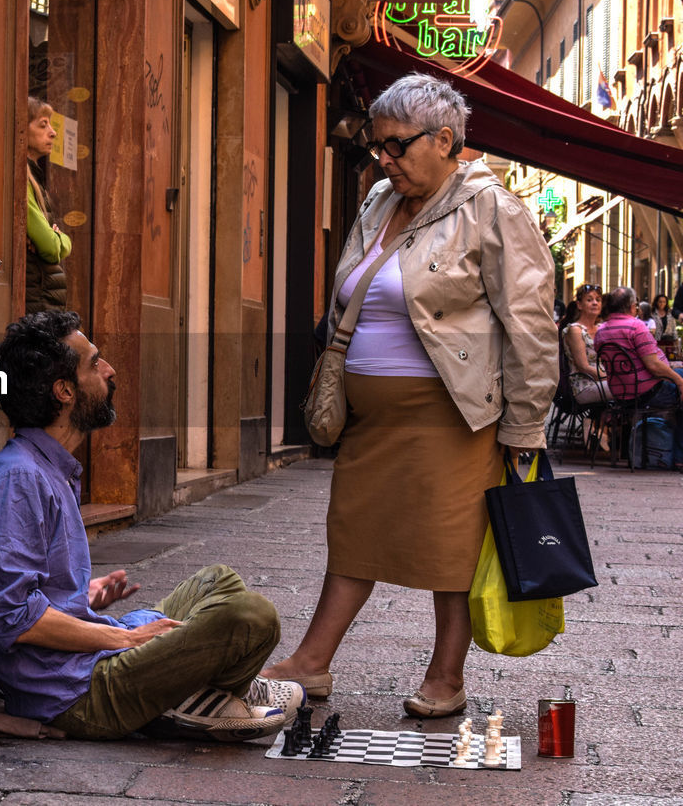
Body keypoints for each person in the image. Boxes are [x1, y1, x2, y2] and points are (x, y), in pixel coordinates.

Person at [261, 72, 557, 718]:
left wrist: (525, 430)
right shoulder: (377, 203)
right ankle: (312, 662)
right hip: (371, 418)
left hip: (452, 414)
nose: (385, 159)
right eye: (379, 147)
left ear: (445, 140)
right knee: (353, 530)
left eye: (397, 146)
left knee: (450, 546)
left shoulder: (494, 209)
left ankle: (446, 677)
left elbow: (531, 326)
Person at [0, 310, 305, 741]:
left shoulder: (48, 468)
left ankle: (199, 691)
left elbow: (24, 594)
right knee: (251, 616)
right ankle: (203, 694)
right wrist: (124, 641)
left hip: (85, 665)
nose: (110, 370)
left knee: (217, 581)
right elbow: (13, 619)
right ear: (64, 391)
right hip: (76, 695)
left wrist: (78, 595)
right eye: (94, 363)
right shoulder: (18, 478)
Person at [594, 287, 683, 410]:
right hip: (647, 393)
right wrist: (679, 382)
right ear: (632, 306)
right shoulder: (636, 326)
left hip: (620, 392)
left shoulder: (601, 330)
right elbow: (654, 366)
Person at [24, 98, 72, 313]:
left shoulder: (35, 177)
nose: (52, 132)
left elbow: (52, 244)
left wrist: (59, 239)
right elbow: (50, 247)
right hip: (38, 302)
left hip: (43, 299)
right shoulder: (24, 180)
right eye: (43, 125)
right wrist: (60, 240)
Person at [563, 284, 611, 405]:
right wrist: (612, 379)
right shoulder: (575, 330)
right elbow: (583, 367)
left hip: (604, 381)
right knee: (629, 388)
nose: (595, 303)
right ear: (579, 305)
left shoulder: (602, 328)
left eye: (598, 300)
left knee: (637, 385)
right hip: (584, 385)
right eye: (589, 300)